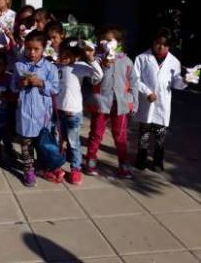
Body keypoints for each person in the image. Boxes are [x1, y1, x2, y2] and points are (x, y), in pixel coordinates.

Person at [85, 25, 138, 178]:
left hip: (120, 104)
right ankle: (91, 160)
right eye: (102, 40)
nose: (104, 43)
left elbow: (134, 82)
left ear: (118, 42)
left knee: (120, 135)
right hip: (101, 103)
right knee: (96, 133)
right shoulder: (97, 59)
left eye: (109, 40)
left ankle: (123, 164)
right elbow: (92, 80)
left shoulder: (127, 61)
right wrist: (99, 66)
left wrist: (134, 102)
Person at [133, 27, 187, 171]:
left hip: (162, 103)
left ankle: (158, 161)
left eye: (165, 44)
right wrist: (147, 92)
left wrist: (185, 81)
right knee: (144, 132)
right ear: (153, 42)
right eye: (158, 43)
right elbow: (134, 79)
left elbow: (176, 83)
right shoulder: (142, 58)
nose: (161, 46)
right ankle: (141, 158)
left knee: (160, 134)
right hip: (147, 101)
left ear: (169, 46)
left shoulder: (174, 62)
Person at [11, 31, 60, 187]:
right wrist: (20, 84)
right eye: (28, 48)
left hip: (43, 115)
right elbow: (12, 87)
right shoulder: (19, 65)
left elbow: (55, 89)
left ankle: (43, 166)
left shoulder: (50, 68)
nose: (31, 52)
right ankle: (28, 170)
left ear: (43, 48)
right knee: (26, 144)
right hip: (24, 113)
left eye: (36, 49)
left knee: (42, 143)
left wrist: (41, 83)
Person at [56, 38, 103, 185]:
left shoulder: (80, 66)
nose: (64, 56)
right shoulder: (55, 66)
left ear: (76, 56)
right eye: (62, 52)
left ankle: (75, 169)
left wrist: (91, 58)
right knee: (58, 140)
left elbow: (98, 76)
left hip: (73, 113)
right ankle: (56, 165)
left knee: (74, 142)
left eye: (68, 54)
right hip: (57, 111)